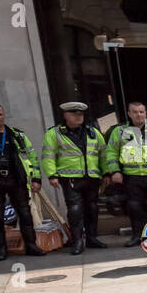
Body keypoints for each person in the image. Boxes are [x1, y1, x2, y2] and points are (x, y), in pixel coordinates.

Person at [0, 102, 48, 261]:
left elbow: (32, 157)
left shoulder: (17, 135)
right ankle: (1, 249)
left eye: (0, 114)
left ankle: (31, 245)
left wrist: (36, 179)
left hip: (17, 179)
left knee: (25, 214)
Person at [41, 101, 110, 255]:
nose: (79, 117)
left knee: (92, 208)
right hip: (70, 178)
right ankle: (78, 241)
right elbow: (48, 157)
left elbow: (103, 155)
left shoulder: (93, 132)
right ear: (66, 115)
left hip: (92, 177)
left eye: (81, 114)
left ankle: (92, 238)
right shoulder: (55, 133)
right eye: (75, 114)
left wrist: (106, 173)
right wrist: (52, 175)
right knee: (75, 210)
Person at [103, 101, 147, 246]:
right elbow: (111, 152)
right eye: (135, 112)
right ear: (129, 114)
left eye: (141, 111)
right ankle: (138, 236)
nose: (138, 114)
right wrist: (115, 171)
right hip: (131, 175)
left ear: (146, 113)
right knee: (134, 207)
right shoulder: (120, 131)